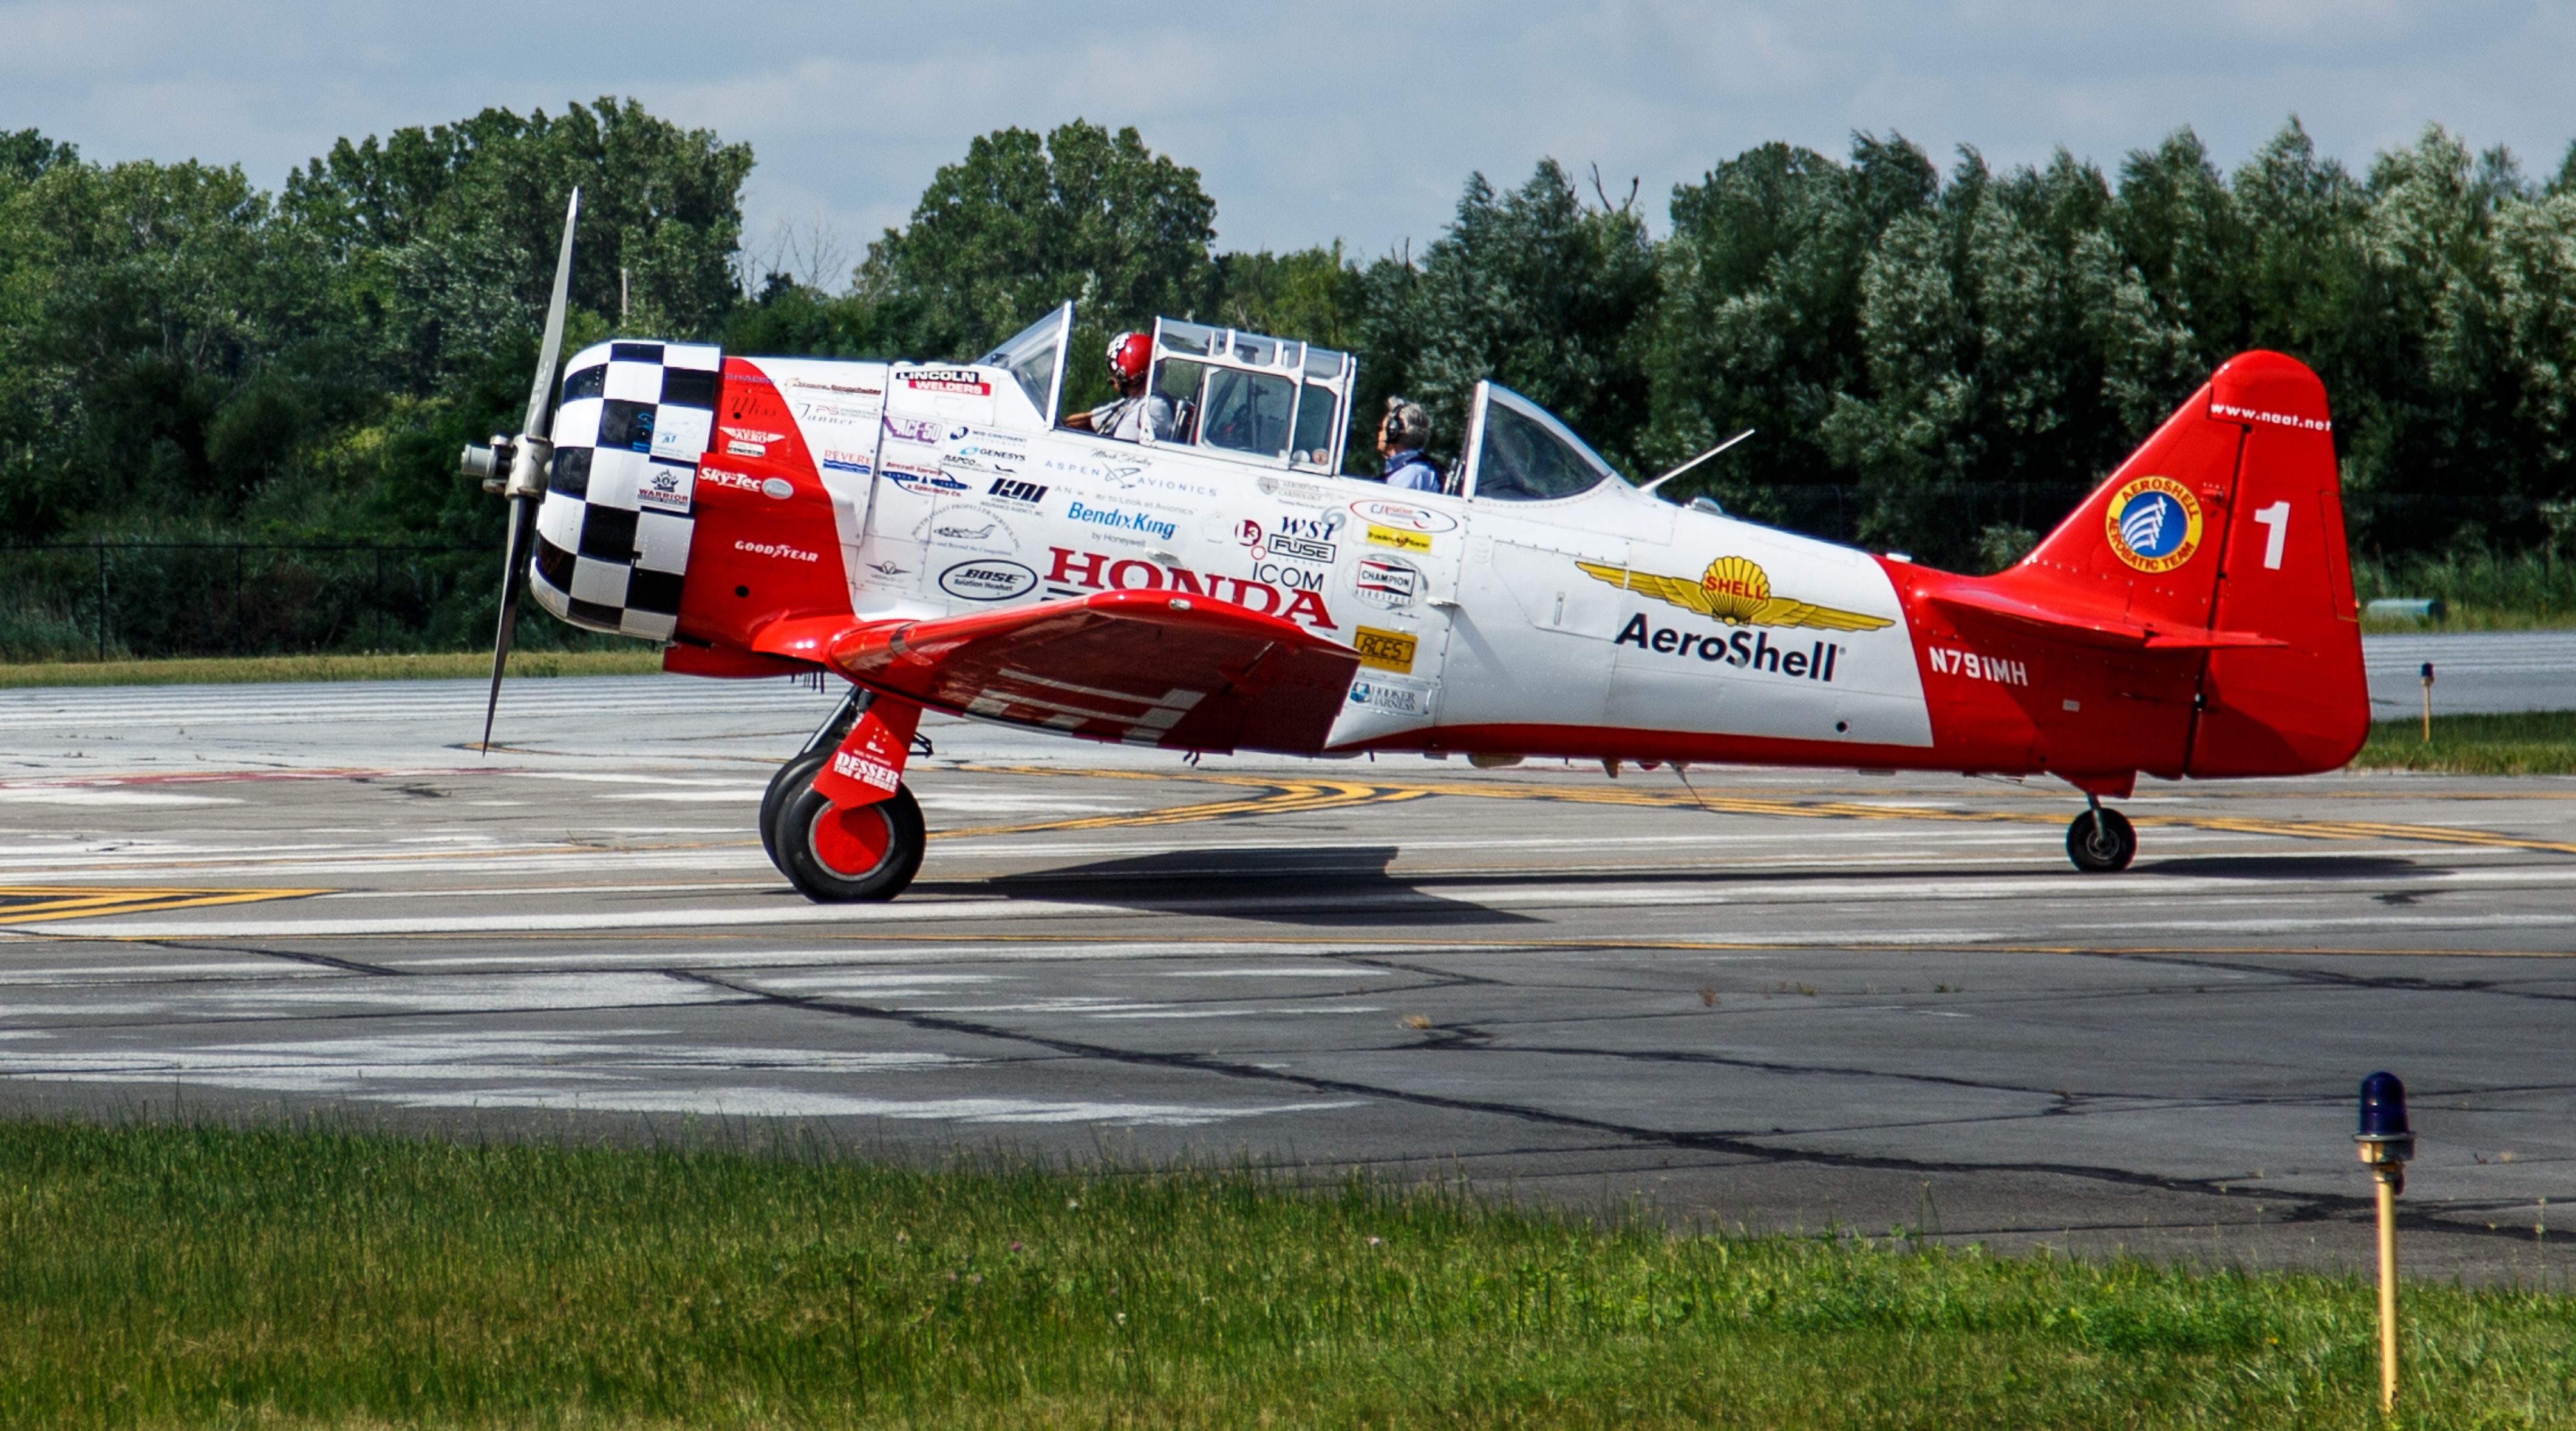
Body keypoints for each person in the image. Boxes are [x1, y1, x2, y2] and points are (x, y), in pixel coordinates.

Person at [1061, 331, 1176, 443]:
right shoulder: (1134, 402)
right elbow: (1088, 420)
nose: (1113, 381)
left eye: (1115, 374)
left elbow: (1120, 449)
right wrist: (1061, 425)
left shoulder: (1150, 409)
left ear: (1132, 378)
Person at [1378, 397, 1439, 491]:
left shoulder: (1412, 475)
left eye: (1382, 429)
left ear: (1393, 433)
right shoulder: (1407, 471)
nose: (1379, 434)